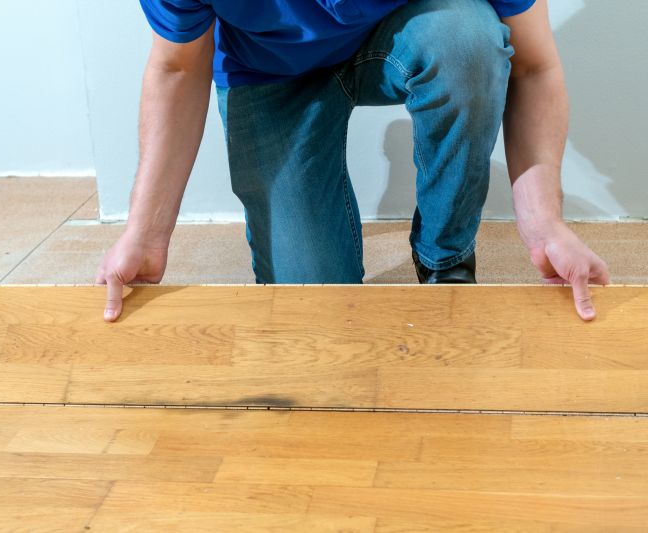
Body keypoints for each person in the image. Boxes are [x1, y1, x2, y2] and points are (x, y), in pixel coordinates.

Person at [96, 0, 610, 322]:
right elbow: (177, 69)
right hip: (269, 70)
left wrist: (545, 225)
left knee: (466, 41)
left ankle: (445, 263)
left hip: (412, 27)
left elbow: (534, 67)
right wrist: (146, 233)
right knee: (313, 312)